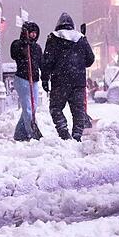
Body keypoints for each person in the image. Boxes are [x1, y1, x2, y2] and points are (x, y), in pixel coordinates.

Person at [41, 12, 95, 141]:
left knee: (55, 108)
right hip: (78, 82)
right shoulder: (81, 38)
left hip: (59, 82)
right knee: (78, 111)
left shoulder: (53, 38)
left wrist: (45, 78)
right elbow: (90, 59)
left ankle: (64, 134)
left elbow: (47, 61)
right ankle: (77, 136)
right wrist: (79, 62)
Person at [9, 21, 43, 141]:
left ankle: (19, 134)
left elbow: (41, 63)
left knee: (32, 108)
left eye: (35, 33)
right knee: (28, 108)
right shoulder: (17, 44)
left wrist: (45, 77)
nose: (33, 35)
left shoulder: (37, 48)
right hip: (22, 80)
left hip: (33, 80)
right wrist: (24, 44)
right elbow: (13, 54)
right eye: (31, 32)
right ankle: (33, 133)